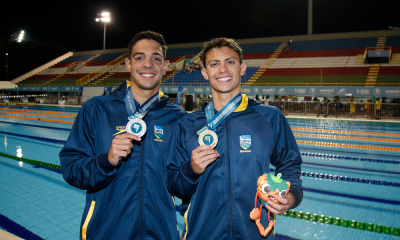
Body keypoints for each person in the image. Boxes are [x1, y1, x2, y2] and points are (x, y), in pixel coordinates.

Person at [166, 38, 302, 240]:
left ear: (242, 68)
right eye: (214, 64)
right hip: (201, 233)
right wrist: (191, 170)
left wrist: (291, 196)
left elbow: (290, 164)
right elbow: (174, 185)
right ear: (204, 72)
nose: (223, 69)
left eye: (230, 62)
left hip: (256, 233)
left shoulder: (269, 117)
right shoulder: (188, 124)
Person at [59, 31, 186, 240]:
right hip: (106, 232)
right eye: (139, 58)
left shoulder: (177, 118)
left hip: (160, 233)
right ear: (128, 64)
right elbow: (71, 169)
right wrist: (105, 161)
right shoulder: (96, 109)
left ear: (166, 66)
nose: (148, 64)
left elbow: (180, 183)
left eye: (156, 58)